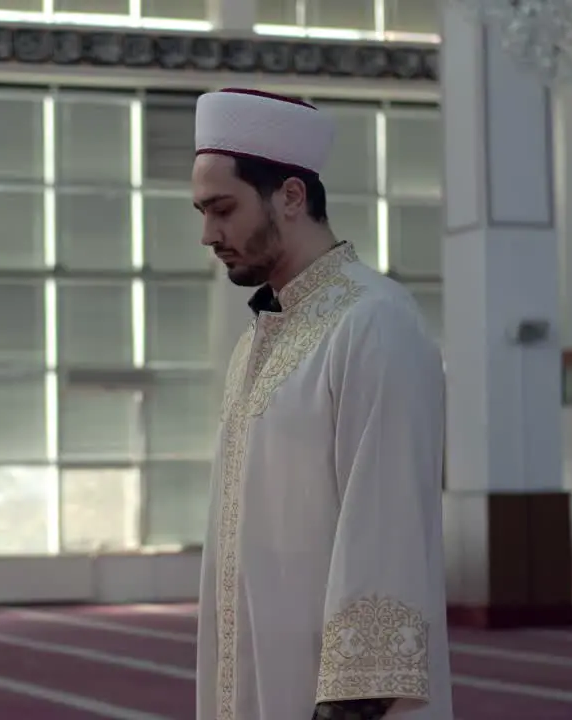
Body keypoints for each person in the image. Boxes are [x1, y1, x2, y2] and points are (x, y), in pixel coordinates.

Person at [191, 88, 453, 720]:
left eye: (223, 209)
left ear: (290, 195)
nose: (208, 234)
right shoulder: (254, 343)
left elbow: (385, 531)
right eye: (201, 212)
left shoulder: (375, 322)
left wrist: (348, 706)